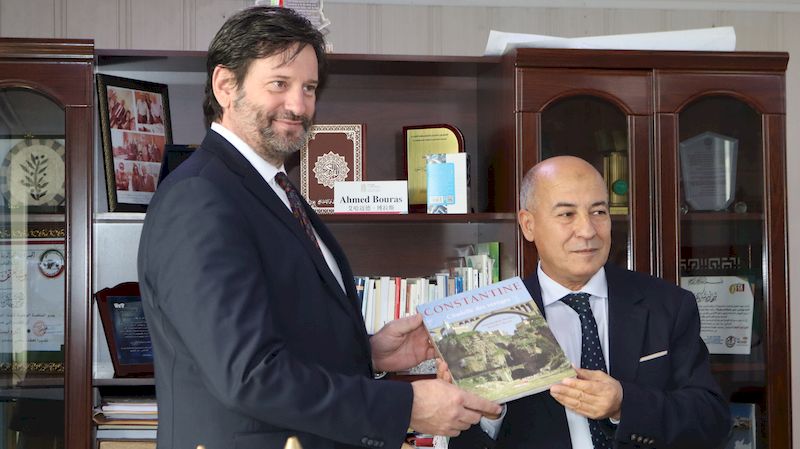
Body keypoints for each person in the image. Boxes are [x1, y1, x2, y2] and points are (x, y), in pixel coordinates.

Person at [136, 6, 501, 449]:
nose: (298, 105)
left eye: (308, 88)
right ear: (225, 86)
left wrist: (370, 352)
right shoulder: (200, 196)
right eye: (279, 84)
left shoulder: (274, 188)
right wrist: (404, 406)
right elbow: (249, 375)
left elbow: (285, 334)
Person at [445, 156, 730, 449]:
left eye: (598, 212)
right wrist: (488, 412)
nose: (588, 230)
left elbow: (711, 419)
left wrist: (624, 404)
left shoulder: (667, 304)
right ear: (528, 225)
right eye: (567, 214)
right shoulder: (490, 320)